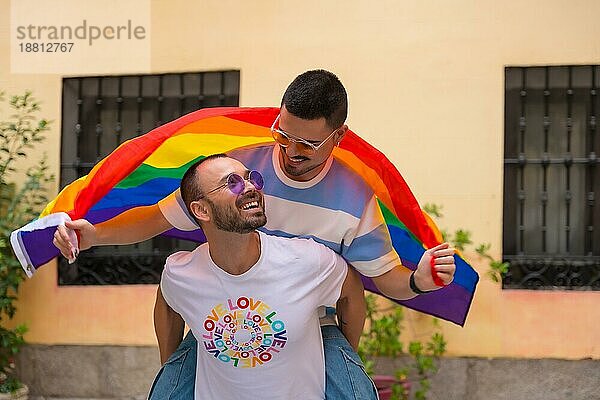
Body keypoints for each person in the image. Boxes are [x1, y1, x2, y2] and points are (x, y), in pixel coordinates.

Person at [53, 69, 456, 399]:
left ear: (338, 137)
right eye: (283, 134)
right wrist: (93, 236)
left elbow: (379, 282)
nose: (290, 149)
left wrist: (418, 282)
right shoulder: (238, 171)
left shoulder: (353, 200)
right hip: (232, 321)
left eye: (308, 144)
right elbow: (157, 218)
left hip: (312, 325)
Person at [156, 154, 367, 399]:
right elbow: (168, 301)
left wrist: (345, 354)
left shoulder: (307, 261)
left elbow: (350, 290)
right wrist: (171, 367)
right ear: (202, 210)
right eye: (232, 183)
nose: (250, 187)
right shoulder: (181, 273)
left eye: (251, 178)